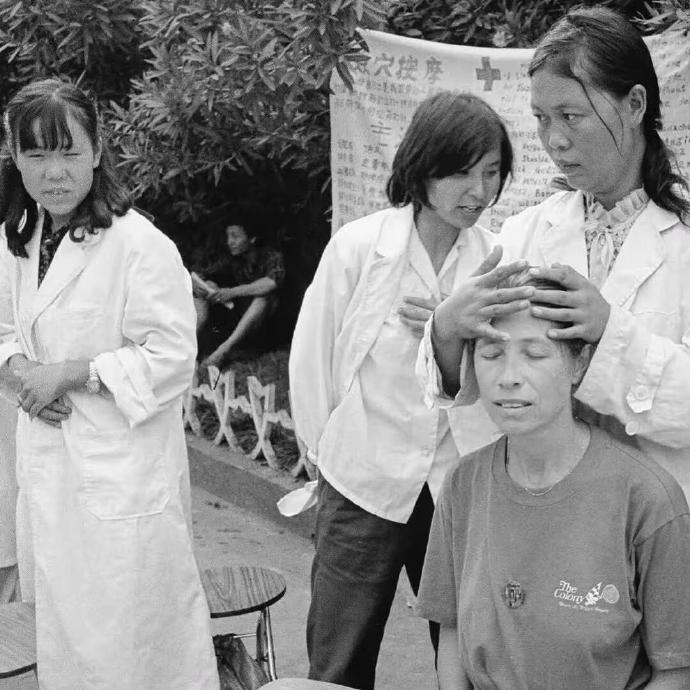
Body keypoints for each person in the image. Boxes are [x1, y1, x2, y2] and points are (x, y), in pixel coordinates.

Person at [289, 91, 532, 690]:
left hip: (457, 482)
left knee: (468, 653)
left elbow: (511, 374)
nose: (479, 191)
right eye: (462, 172)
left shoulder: (496, 261)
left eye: (491, 173)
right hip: (363, 479)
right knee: (339, 658)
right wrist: (323, 453)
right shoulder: (360, 248)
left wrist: (452, 332)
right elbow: (313, 355)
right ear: (422, 169)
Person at [0, 78, 220, 690]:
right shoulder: (19, 240)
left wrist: (71, 373)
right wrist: (21, 374)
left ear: (97, 151)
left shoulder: (139, 244)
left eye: (69, 152)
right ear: (14, 157)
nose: (54, 172)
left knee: (133, 647)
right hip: (50, 471)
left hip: (122, 481)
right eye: (36, 154)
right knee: (65, 643)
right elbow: (4, 330)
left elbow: (172, 356)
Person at [425, 6, 690, 499]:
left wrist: (609, 333)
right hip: (540, 512)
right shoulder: (525, 233)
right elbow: (486, 389)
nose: (554, 140)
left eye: (571, 116)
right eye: (542, 119)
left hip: (656, 519)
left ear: (634, 104)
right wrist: (447, 333)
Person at [416, 270, 690, 690]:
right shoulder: (462, 486)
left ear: (579, 363)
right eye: (491, 354)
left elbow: (676, 669)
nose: (508, 377)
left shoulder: (647, 499)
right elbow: (451, 631)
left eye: (534, 354)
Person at [194, 220, 285, 368]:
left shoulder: (271, 255)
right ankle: (189, 344)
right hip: (238, 317)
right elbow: (205, 273)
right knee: (207, 286)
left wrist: (232, 292)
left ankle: (222, 352)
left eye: (235, 236)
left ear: (252, 238)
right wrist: (202, 285)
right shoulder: (233, 258)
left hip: (266, 324)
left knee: (263, 298)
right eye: (228, 237)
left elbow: (271, 282)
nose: (230, 242)